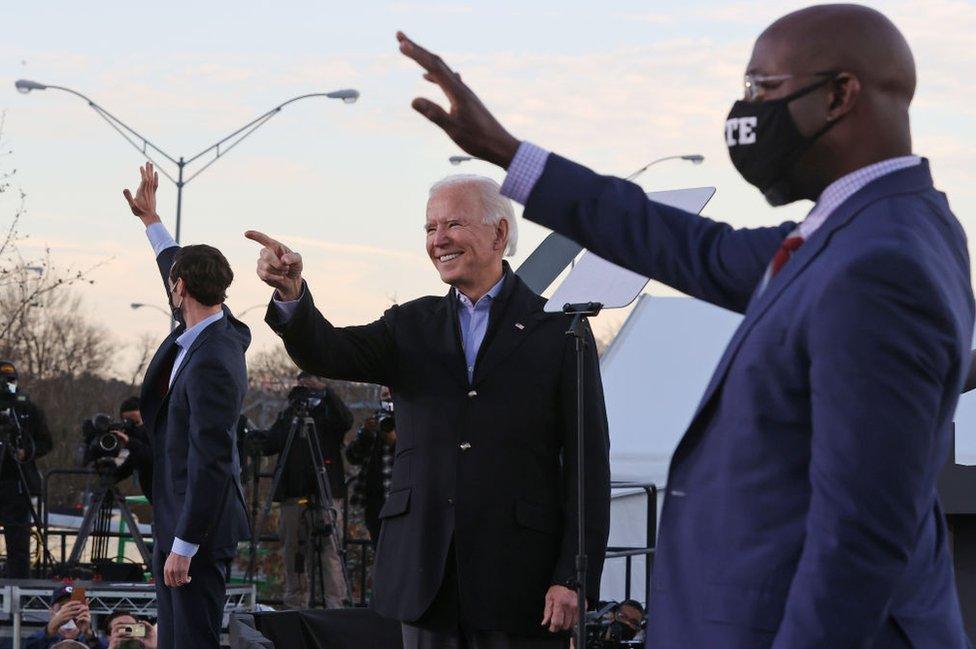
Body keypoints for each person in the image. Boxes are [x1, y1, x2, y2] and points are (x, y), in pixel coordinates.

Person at [396, 3, 973, 647]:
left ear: (841, 94)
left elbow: (861, 535)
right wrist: (507, 153)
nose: (746, 110)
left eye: (763, 89)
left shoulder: (879, 262)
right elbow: (679, 244)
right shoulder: (853, 233)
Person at [247, 173, 611, 648]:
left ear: (499, 233)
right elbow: (327, 351)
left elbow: (588, 466)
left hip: (521, 583)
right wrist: (293, 295)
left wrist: (574, 576)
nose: (438, 240)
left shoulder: (560, 330)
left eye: (453, 224)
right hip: (425, 582)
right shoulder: (410, 325)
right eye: (429, 228)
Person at [122, 162, 251, 649]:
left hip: (195, 533)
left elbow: (212, 458)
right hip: (178, 521)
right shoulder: (213, 326)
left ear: (181, 290)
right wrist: (152, 221)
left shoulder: (214, 359)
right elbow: (174, 264)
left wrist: (184, 545)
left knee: (191, 642)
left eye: (173, 282)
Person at [261, 371, 353, 609]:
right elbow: (271, 443)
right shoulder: (291, 413)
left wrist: (326, 391)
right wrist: (290, 410)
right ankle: (295, 604)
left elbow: (346, 421)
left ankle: (335, 605)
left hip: (326, 493)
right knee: (294, 553)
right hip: (294, 493)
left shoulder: (328, 411)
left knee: (331, 552)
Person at [0, 359, 52, 578]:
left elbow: (46, 443)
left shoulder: (26, 408)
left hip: (17, 482)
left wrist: (25, 452)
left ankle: (19, 581)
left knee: (18, 537)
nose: (7, 385)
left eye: (11, 380)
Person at [346, 386, 397, 546]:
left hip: (396, 494)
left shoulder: (408, 420)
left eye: (390, 392)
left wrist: (393, 439)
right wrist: (366, 435)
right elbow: (352, 456)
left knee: (396, 545)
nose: (387, 397)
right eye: (384, 395)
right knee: (378, 544)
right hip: (372, 498)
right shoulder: (375, 421)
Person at [24, 585, 106, 649]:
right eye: (63, 607)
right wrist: (51, 628)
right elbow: (30, 646)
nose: (69, 612)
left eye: (74, 607)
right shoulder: (40, 640)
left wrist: (88, 633)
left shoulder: (93, 640)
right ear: (52, 611)